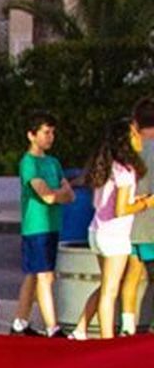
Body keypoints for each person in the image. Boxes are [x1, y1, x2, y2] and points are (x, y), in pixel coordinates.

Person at [73, 117, 154, 339]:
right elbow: (120, 210)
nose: (140, 138)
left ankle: (81, 329)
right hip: (114, 236)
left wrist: (136, 200)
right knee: (110, 291)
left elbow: (108, 202)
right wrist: (146, 203)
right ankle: (107, 341)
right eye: (135, 134)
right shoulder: (126, 171)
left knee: (106, 285)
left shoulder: (108, 167)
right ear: (126, 142)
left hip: (97, 232)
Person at [12, 111, 74, 336]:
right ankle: (52, 327)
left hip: (52, 224)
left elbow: (70, 194)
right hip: (35, 226)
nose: (50, 137)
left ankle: (19, 322)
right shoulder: (28, 163)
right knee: (44, 276)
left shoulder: (53, 162)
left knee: (33, 274)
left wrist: (57, 194)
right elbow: (45, 195)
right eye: (46, 132)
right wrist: (59, 194)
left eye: (52, 133)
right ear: (31, 135)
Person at [125, 97, 154, 333]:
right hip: (152, 226)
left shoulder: (130, 150)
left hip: (129, 225)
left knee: (131, 277)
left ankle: (127, 327)